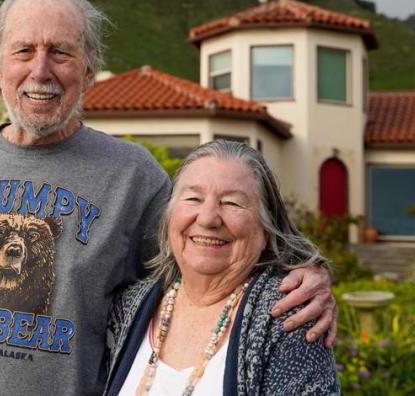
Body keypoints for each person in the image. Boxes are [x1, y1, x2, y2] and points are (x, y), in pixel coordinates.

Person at [0, 0, 336, 395]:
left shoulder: (135, 176)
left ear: (89, 69)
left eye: (61, 52)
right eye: (23, 50)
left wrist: (304, 274)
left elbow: (211, 243)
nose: (41, 70)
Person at [104, 140, 339, 395]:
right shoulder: (129, 306)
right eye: (193, 198)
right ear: (169, 218)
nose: (207, 219)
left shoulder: (290, 316)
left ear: (265, 230)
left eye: (232, 203)